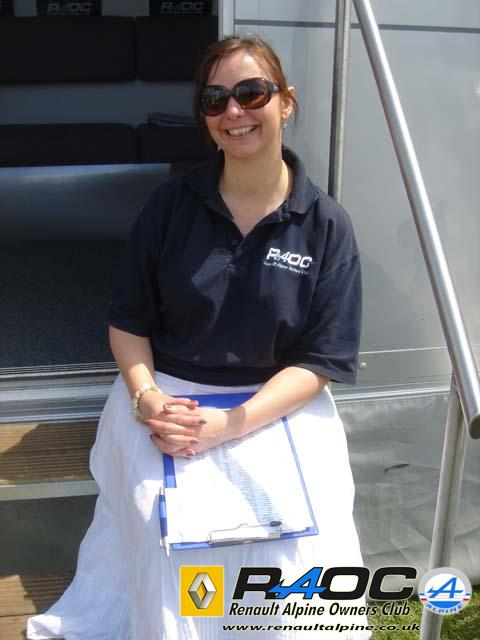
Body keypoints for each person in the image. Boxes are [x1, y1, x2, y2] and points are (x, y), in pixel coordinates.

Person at [28, 35, 370, 640]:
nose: (234, 111)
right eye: (215, 100)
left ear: (285, 102)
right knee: (165, 532)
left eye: (251, 93)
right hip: (168, 394)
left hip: (277, 402)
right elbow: (128, 321)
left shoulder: (325, 225)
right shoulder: (170, 206)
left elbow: (319, 360)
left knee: (299, 544)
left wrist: (232, 424)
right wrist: (147, 399)